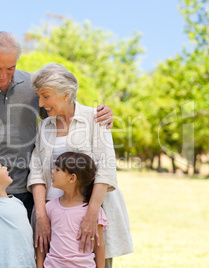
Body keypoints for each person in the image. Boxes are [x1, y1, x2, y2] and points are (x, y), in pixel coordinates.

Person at [0, 31, 114, 267]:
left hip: (33, 195)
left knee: (32, 261)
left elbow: (63, 108)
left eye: (10, 68)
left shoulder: (32, 86)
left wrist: (102, 113)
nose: (3, 76)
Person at [27, 63, 133, 268]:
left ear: (66, 94)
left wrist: (91, 215)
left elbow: (106, 170)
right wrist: (41, 216)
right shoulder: (44, 127)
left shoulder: (95, 118)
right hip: (51, 215)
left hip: (90, 210)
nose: (41, 103)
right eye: (39, 96)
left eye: (46, 96)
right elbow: (37, 172)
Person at [41, 152, 108, 268]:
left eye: (57, 170)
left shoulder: (93, 212)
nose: (52, 171)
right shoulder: (50, 207)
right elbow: (42, 243)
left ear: (72, 178)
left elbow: (99, 245)